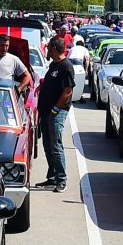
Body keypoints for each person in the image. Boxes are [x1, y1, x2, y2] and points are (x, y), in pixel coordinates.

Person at [35, 48, 75, 191]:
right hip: (46, 112)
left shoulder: (66, 66)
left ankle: (61, 179)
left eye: (48, 49)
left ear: (53, 49)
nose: (46, 52)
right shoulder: (53, 65)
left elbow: (68, 92)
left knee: (55, 146)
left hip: (56, 112)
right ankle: (52, 177)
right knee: (47, 145)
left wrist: (55, 110)